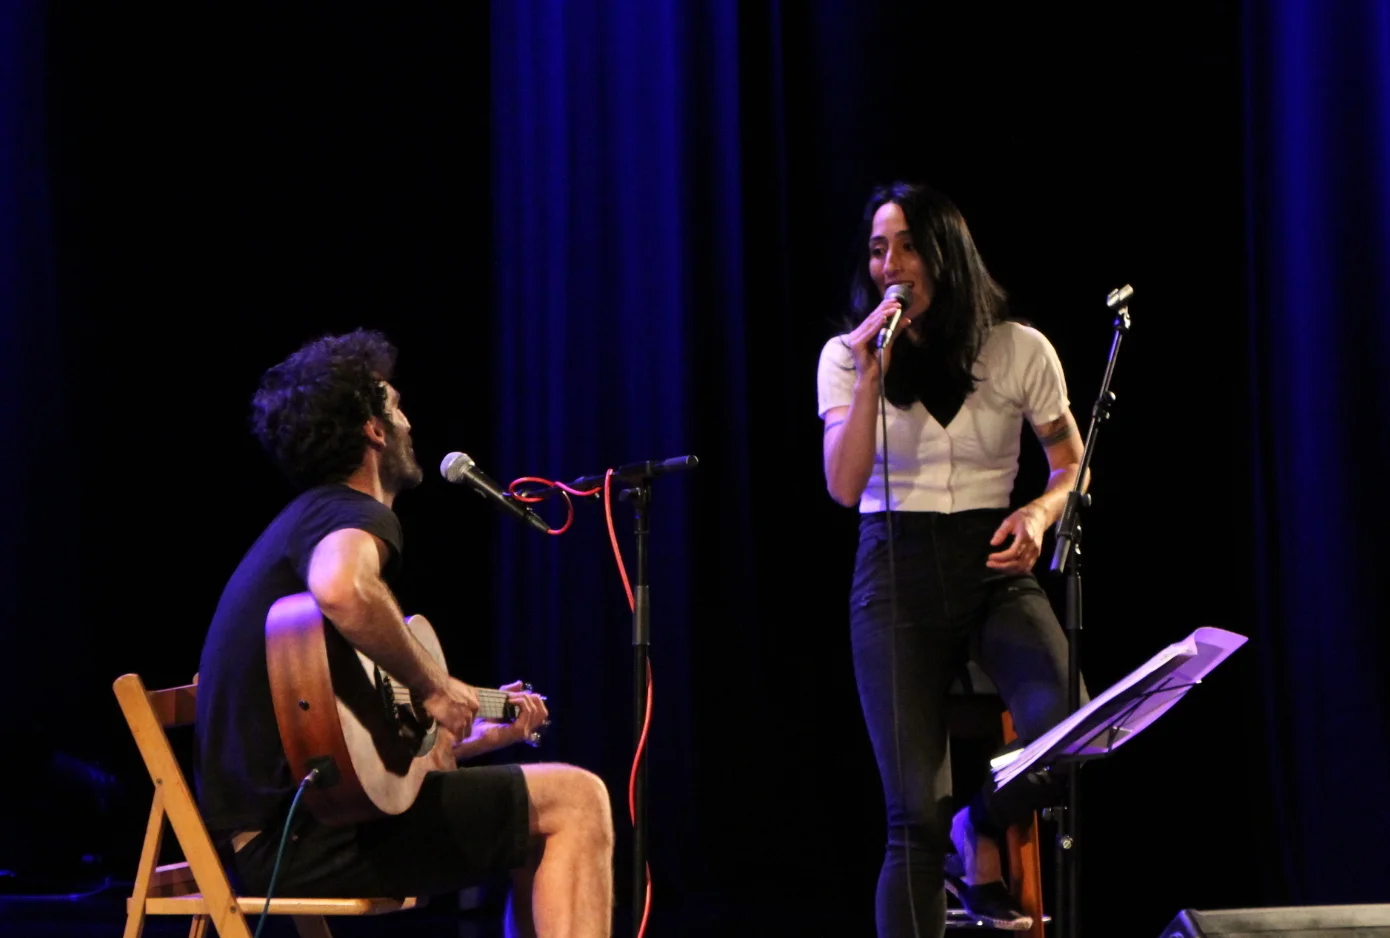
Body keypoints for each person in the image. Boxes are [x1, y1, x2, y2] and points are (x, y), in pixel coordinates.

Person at [194, 328, 614, 937]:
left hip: (277, 837)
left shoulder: (301, 525)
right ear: (373, 430)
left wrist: (479, 730)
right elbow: (343, 588)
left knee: (533, 816)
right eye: (396, 407)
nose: (409, 423)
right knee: (577, 800)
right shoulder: (353, 512)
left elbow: (366, 767)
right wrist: (436, 687)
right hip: (300, 841)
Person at [817, 182, 1089, 937]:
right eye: (879, 249)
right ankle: (948, 836)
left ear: (946, 253)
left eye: (908, 247)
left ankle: (982, 823)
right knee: (913, 815)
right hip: (893, 570)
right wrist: (871, 374)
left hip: (991, 562)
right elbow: (843, 486)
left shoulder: (1018, 348)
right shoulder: (845, 358)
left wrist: (1039, 512)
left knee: (1069, 728)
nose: (891, 265)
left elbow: (1071, 464)